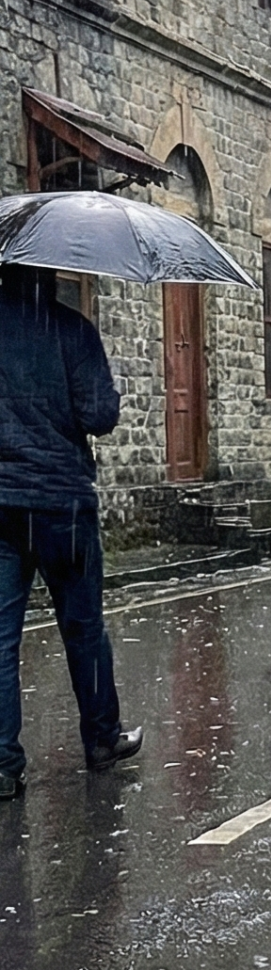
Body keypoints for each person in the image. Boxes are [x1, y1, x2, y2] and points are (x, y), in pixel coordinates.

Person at [0, 267, 142, 799]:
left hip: (2, 504)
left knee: (1, 637)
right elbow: (99, 413)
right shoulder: (72, 329)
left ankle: (3, 765)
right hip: (63, 505)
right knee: (83, 628)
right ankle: (102, 739)